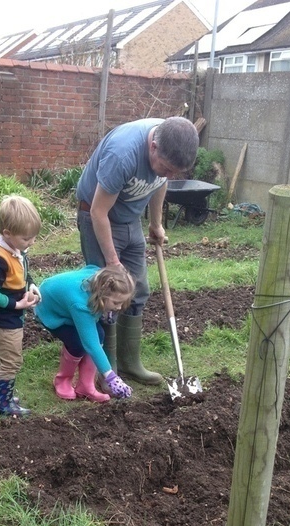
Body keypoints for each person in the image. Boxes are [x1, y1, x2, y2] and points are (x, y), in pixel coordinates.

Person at [76, 116, 199, 386]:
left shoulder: (165, 151)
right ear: (153, 147)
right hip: (99, 218)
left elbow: (159, 183)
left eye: (174, 172)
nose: (167, 173)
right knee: (107, 292)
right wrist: (112, 261)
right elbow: (98, 211)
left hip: (131, 220)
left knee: (138, 289)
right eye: (164, 167)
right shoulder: (123, 154)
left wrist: (155, 224)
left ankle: (130, 363)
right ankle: (106, 368)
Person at [35, 265, 135, 402]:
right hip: (50, 308)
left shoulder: (102, 280)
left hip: (69, 304)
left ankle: (86, 386)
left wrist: (108, 309)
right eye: (116, 303)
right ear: (102, 294)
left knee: (99, 334)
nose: (118, 307)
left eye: (122, 303)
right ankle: (63, 380)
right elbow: (91, 345)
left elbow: (89, 267)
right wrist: (111, 377)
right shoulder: (81, 304)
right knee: (77, 343)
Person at [0, 194, 41, 416]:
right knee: (12, 361)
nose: (31, 242)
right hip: (2, 321)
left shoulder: (16, 249)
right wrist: (17, 304)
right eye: (27, 238)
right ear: (7, 234)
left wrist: (32, 286)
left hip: (10, 319)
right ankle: (2, 404)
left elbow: (23, 275)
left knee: (1, 357)